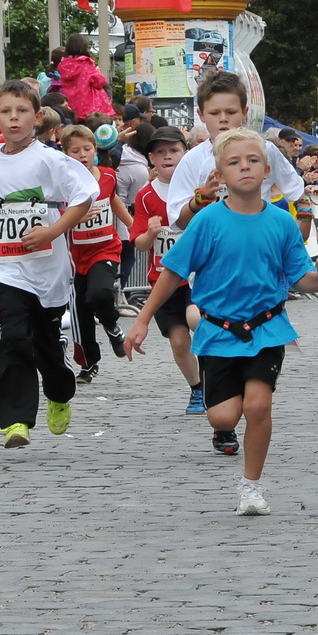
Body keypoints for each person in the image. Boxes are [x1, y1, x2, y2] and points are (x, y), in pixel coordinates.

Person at [123, 127, 318, 515]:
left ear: (268, 170)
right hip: (217, 330)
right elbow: (173, 272)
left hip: (266, 326)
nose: (245, 168)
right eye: (234, 162)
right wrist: (142, 320)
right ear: (220, 175)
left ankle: (251, 487)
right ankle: (225, 410)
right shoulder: (207, 221)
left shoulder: (282, 223)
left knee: (258, 407)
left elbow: (300, 277)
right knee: (223, 416)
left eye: (253, 161)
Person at [0, 79, 97, 448]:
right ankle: (15, 421)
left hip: (47, 268)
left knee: (45, 343)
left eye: (22, 111)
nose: (14, 118)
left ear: (37, 117)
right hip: (8, 267)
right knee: (13, 336)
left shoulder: (50, 159)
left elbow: (86, 195)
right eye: (6, 111)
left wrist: (52, 231)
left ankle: (59, 393)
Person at [128, 125, 206, 423]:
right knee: (177, 342)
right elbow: (139, 243)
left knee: (195, 318)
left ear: (186, 154)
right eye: (160, 152)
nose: (167, 157)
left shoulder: (197, 192)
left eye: (174, 150)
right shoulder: (146, 197)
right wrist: (149, 233)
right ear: (151, 158)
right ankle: (197, 388)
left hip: (197, 276)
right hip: (162, 279)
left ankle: (217, 368)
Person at [165, 71, 303, 229]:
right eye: (214, 113)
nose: (223, 118)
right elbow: (179, 222)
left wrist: (300, 226)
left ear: (245, 112)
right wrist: (201, 199)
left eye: (231, 112)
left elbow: (298, 193)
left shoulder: (266, 150)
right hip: (214, 249)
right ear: (201, 115)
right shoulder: (192, 160)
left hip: (259, 244)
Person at [61, 123, 132, 383]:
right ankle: (89, 363)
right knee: (79, 313)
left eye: (87, 149)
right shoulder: (63, 185)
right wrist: (74, 218)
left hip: (105, 248)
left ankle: (112, 326)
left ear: (95, 150)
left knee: (99, 293)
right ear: (65, 154)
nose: (82, 155)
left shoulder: (108, 176)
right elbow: (56, 217)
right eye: (75, 151)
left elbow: (113, 200)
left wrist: (133, 226)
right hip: (74, 257)